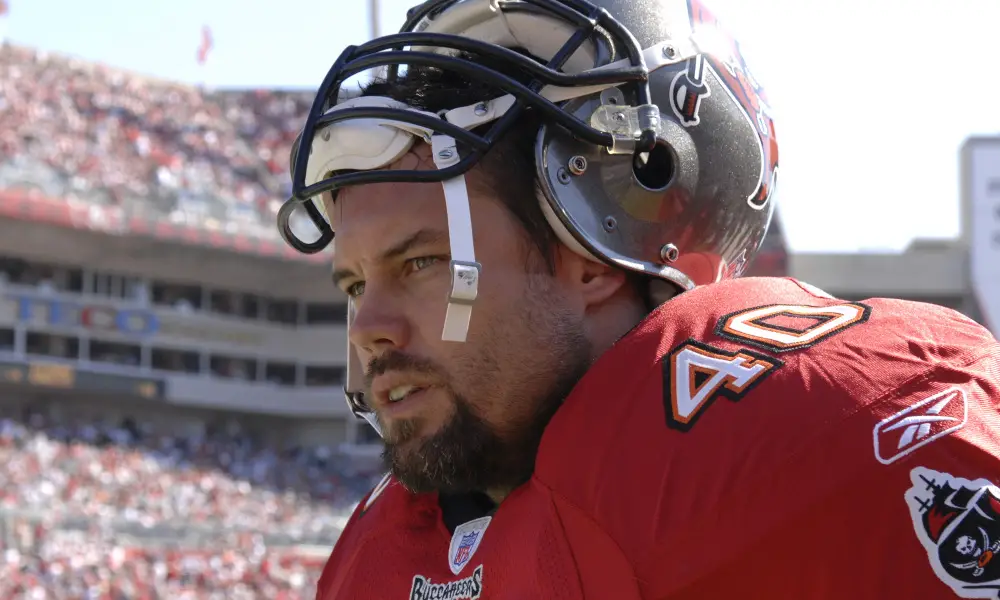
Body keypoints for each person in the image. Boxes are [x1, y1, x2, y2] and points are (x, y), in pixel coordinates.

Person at [276, 0, 1000, 598]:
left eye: (423, 261)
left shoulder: (829, 434)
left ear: (593, 251)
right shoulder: (385, 551)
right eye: (354, 282)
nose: (368, 327)